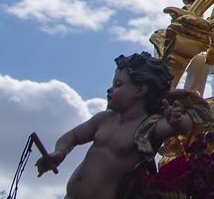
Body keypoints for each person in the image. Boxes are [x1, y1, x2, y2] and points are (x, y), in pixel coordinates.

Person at [35, 52, 194, 199]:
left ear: (139, 90)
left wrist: (177, 119)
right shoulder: (104, 119)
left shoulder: (148, 126)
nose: (110, 89)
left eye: (118, 85)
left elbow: (183, 127)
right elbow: (73, 136)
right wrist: (60, 151)